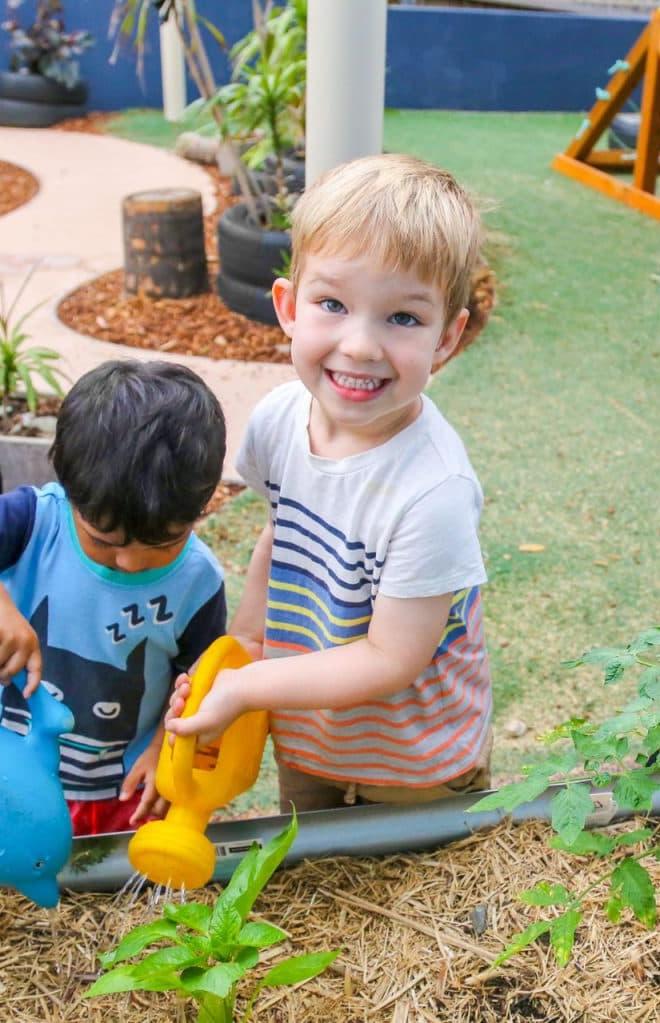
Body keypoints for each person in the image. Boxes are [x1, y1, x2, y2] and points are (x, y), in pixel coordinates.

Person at [165, 154, 493, 812]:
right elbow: (278, 537)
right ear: (288, 305)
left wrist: (250, 688)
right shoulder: (278, 422)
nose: (361, 344)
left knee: (408, 910)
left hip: (414, 767)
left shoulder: (432, 491)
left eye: (403, 317)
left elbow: (390, 658)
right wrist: (246, 651)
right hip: (310, 738)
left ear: (448, 337)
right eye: (333, 304)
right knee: (310, 889)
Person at [0, 359, 227, 836]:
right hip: (2, 773)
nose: (127, 562)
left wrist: (165, 744)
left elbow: (201, 679)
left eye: (162, 544)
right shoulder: (35, 523)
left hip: (123, 792)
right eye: (103, 541)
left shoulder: (197, 581)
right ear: (69, 489)